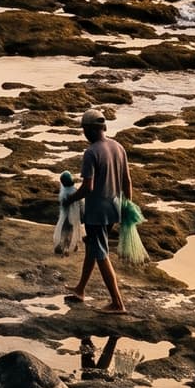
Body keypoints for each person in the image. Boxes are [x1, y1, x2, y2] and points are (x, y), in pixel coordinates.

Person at [66, 109, 131, 313]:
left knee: (101, 253)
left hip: (97, 211)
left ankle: (117, 303)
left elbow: (88, 187)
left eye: (84, 129)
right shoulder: (118, 147)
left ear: (88, 130)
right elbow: (127, 181)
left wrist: (70, 198)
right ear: (103, 127)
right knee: (94, 247)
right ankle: (80, 289)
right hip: (114, 206)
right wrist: (128, 207)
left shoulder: (91, 152)